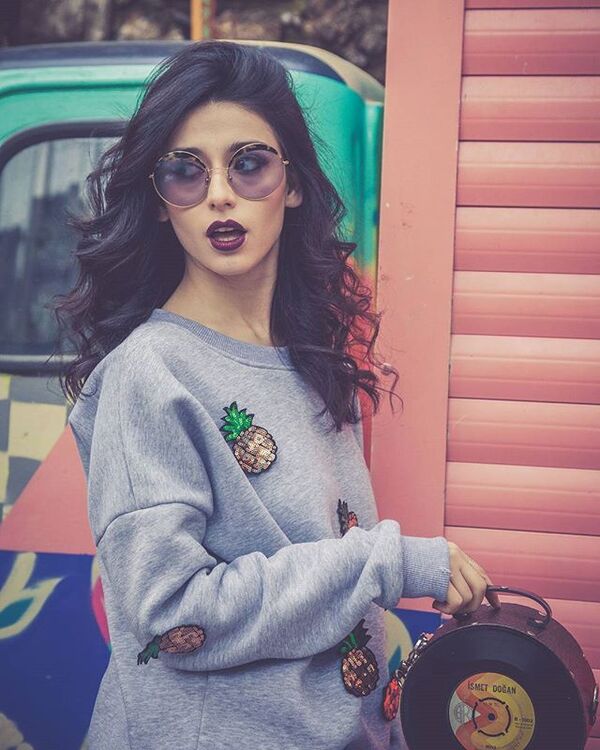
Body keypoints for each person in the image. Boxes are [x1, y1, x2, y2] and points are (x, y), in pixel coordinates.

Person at [56, 40, 500, 750]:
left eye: (249, 164)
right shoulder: (150, 374)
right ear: (161, 202)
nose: (220, 194)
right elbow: (172, 614)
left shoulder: (311, 361)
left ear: (292, 184)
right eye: (185, 171)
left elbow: (330, 586)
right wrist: (390, 563)